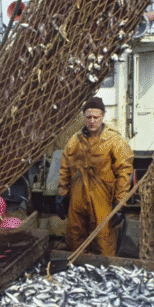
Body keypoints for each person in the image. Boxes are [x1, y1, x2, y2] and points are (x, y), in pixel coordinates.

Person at [56, 96, 134, 256]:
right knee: (75, 238)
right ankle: (78, 273)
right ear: (84, 117)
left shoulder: (115, 141)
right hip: (77, 200)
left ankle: (104, 274)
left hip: (102, 200)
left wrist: (120, 203)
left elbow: (124, 173)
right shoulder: (74, 140)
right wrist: (61, 194)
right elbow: (64, 168)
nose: (92, 121)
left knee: (103, 241)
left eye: (96, 117)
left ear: (102, 117)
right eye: (89, 117)